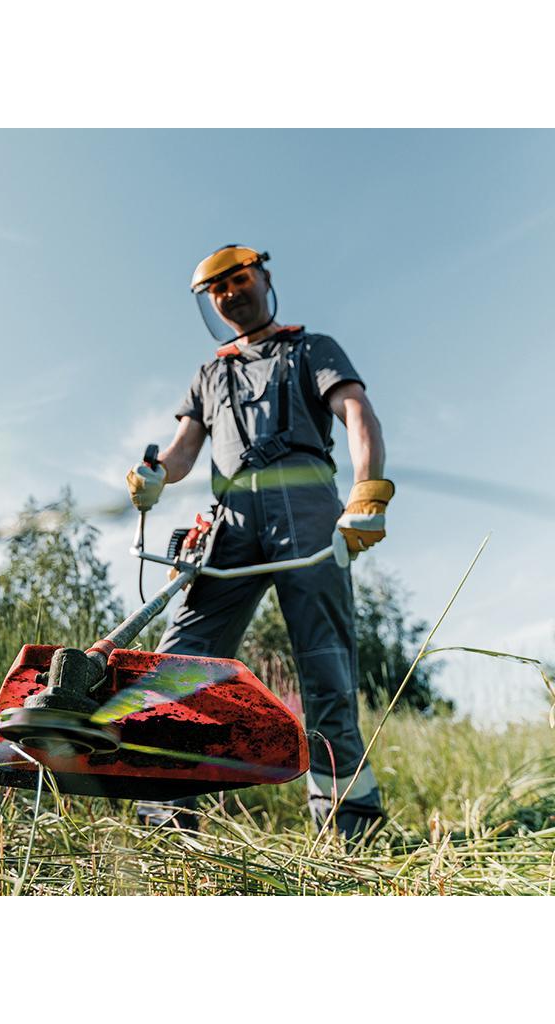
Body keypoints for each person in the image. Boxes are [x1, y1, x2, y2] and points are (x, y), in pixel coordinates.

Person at [125, 244, 394, 842]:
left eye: (238, 279)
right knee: (180, 657)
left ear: (263, 278)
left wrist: (366, 492)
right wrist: (154, 476)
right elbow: (184, 452)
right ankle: (168, 818)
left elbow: (355, 410)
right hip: (231, 520)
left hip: (306, 505)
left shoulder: (311, 349)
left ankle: (349, 818)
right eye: (216, 290)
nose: (229, 294)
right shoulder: (209, 373)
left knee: (324, 664)